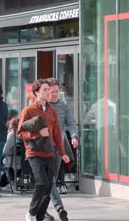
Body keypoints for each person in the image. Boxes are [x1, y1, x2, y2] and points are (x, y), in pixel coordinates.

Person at [18, 79, 69, 221]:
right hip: (34, 153)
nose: (48, 92)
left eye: (49, 89)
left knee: (47, 187)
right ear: (36, 93)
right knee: (41, 183)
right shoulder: (28, 110)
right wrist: (38, 134)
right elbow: (20, 133)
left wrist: (63, 153)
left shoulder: (52, 111)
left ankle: (39, 217)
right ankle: (31, 213)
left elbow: (57, 134)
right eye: (45, 90)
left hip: (50, 153)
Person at [45, 78, 79, 221]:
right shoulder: (42, 106)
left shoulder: (64, 106)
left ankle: (44, 210)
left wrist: (74, 136)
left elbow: (71, 123)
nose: (54, 94)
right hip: (43, 147)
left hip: (58, 146)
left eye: (56, 91)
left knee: (50, 179)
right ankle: (56, 208)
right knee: (46, 180)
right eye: (51, 92)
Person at [2, 116, 20, 190]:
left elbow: (5, 150)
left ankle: (10, 183)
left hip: (12, 161)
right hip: (21, 161)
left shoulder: (12, 134)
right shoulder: (23, 133)